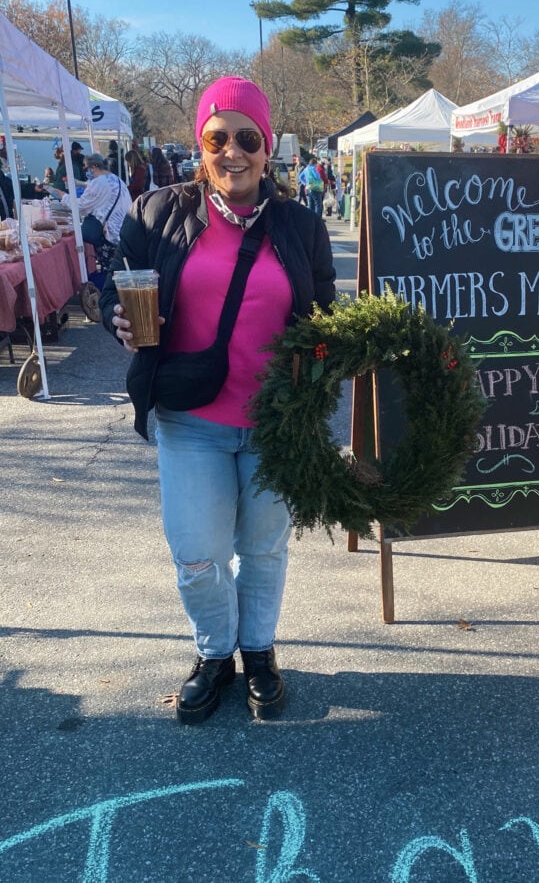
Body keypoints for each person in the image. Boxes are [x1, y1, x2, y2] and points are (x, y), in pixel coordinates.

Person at [99, 76, 335, 726]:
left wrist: (328, 360)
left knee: (263, 548)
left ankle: (257, 651)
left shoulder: (300, 225)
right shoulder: (157, 213)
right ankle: (215, 652)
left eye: (247, 138)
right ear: (200, 144)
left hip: (274, 424)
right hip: (190, 418)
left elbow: (326, 312)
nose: (233, 151)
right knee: (197, 553)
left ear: (267, 148)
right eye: (217, 137)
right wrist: (116, 321)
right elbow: (114, 290)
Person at [45, 152, 131, 248]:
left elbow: (80, 207)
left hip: (110, 234)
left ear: (94, 167)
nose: (86, 172)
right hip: (123, 231)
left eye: (86, 168)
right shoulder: (116, 179)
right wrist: (80, 183)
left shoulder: (98, 182)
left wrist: (63, 195)